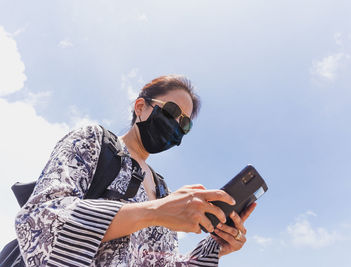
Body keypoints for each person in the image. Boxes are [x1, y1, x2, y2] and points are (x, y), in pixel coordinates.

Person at [15, 75, 257, 266]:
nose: (176, 124)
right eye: (172, 111)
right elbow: (38, 221)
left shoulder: (163, 190)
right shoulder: (94, 141)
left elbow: (158, 262)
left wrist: (215, 248)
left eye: (184, 123)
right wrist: (152, 212)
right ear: (140, 106)